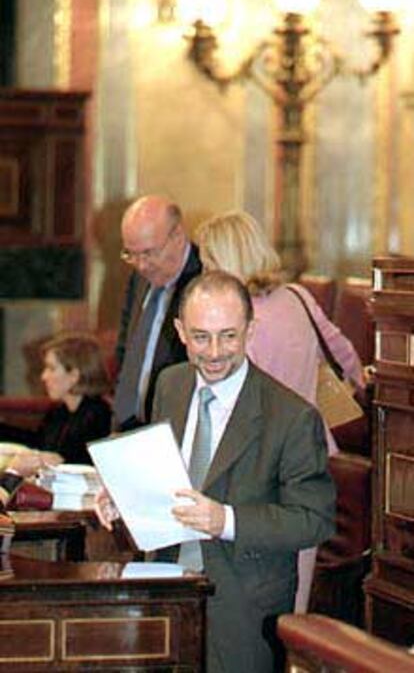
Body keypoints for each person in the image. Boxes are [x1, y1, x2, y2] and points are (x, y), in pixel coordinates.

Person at [96, 270, 336, 673]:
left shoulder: (292, 418)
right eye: (201, 336)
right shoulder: (170, 384)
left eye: (229, 335)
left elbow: (313, 521)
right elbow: (166, 475)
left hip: (243, 610)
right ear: (180, 332)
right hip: (166, 595)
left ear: (250, 329)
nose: (214, 352)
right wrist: (126, 495)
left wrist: (223, 519)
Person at [195, 209, 365, 612]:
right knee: (295, 587)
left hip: (251, 467)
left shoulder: (236, 324)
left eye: (205, 262)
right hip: (311, 460)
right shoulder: (299, 297)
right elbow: (351, 366)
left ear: (224, 262)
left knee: (246, 592)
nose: (201, 273)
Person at [113, 194, 201, 431]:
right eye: (131, 254)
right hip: (131, 427)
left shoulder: (205, 281)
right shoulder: (139, 279)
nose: (141, 265)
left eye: (149, 253)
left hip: (176, 429)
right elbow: (126, 350)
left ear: (178, 237)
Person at [0, 332, 112, 476]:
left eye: (51, 368)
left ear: (74, 376)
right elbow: (37, 441)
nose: (43, 376)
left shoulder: (100, 416)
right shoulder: (61, 411)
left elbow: (81, 465)